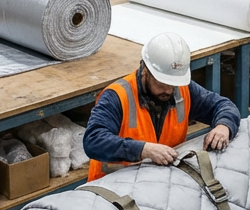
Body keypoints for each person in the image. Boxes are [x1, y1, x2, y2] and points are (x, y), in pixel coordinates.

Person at [84, 32, 240, 181]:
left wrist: (224, 126)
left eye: (173, 84)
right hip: (109, 189)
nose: (168, 90)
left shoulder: (182, 90)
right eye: (162, 82)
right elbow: (93, 141)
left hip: (157, 184)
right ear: (145, 70)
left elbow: (223, 105)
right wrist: (143, 150)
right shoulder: (117, 96)